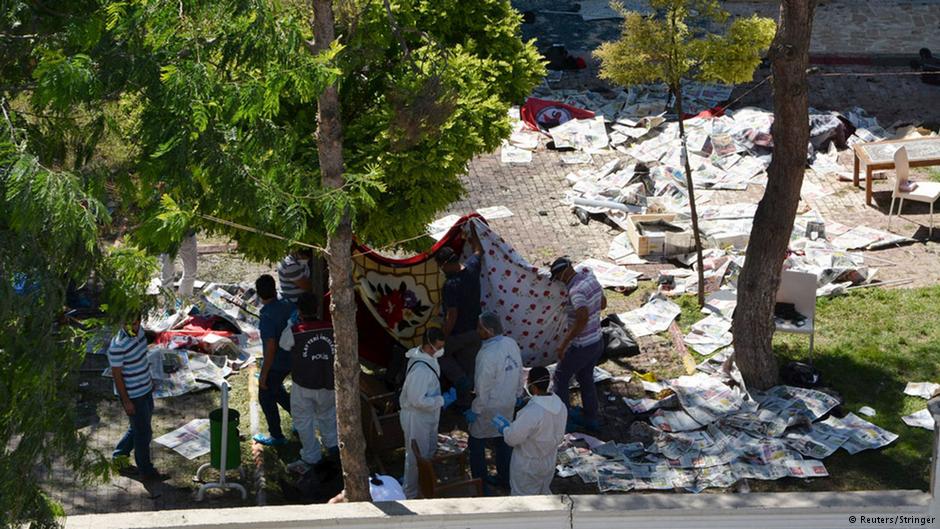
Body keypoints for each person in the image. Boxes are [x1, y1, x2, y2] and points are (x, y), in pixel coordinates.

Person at [280, 293, 339, 474]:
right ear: (317, 309)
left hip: (303, 384)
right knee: (328, 417)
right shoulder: (331, 328)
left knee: (304, 422)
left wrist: (291, 324)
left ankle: (311, 457)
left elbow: (283, 345)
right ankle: (334, 450)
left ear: (299, 311)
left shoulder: (295, 330)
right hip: (328, 383)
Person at [465, 311, 522, 492]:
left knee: (476, 442)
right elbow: (519, 369)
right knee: (503, 439)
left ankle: (480, 483)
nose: (477, 331)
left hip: (489, 406)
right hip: (508, 402)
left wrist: (475, 409)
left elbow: (483, 388)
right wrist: (518, 393)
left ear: (488, 331)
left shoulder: (486, 354)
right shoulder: (510, 343)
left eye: (479, 328)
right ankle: (505, 479)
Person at [549, 256, 607, 431]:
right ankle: (591, 417)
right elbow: (603, 303)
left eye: (559, 277)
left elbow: (581, 318)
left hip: (581, 345)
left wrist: (563, 344)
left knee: (560, 376)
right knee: (585, 378)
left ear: (565, 272)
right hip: (597, 340)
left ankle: (564, 420)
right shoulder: (589, 278)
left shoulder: (575, 292)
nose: (559, 281)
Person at [399, 327, 457, 499]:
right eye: (438, 347)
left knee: (425, 452)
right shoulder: (420, 371)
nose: (441, 350)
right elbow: (417, 400)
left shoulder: (427, 358)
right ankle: (409, 493)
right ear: (429, 346)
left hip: (425, 416)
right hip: (416, 418)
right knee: (416, 457)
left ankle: (421, 484)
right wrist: (441, 400)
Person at [492, 366, 567, 496]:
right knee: (543, 494)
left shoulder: (532, 411)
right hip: (548, 460)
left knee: (523, 500)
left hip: (528, 465)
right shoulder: (560, 405)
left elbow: (512, 439)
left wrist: (505, 429)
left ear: (533, 386)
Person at [109, 314, 166, 481]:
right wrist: (126, 401)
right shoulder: (117, 346)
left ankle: (119, 457)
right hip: (134, 395)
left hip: (145, 389)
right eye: (129, 324)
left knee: (138, 428)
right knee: (144, 434)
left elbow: (142, 358)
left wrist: (149, 380)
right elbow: (117, 376)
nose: (133, 328)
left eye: (136, 323)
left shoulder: (140, 332)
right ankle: (146, 471)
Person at [435, 222, 483, 405]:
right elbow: (479, 250)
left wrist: (442, 339)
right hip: (475, 331)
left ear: (446, 264)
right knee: (468, 367)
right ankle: (464, 406)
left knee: (438, 355)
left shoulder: (451, 285)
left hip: (458, 333)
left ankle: (459, 383)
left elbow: (451, 316)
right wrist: (473, 233)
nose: (441, 270)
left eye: (441, 266)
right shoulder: (471, 268)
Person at [253, 274, 294, 446]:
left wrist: (263, 375)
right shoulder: (287, 304)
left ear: (259, 294)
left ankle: (276, 436)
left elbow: (270, 348)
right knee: (277, 390)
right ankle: (300, 418)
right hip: (293, 357)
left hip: (278, 362)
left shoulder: (267, 315)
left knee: (265, 394)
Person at [278, 247, 327, 318]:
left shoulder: (299, 261)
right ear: (298, 254)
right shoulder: (290, 266)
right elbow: (306, 286)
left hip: (301, 302)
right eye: (305, 257)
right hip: (293, 303)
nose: (306, 260)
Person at [160, 230, 198, 298]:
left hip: (188, 233)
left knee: (191, 269)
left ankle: (185, 298)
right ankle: (169, 302)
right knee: (167, 272)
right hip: (167, 234)